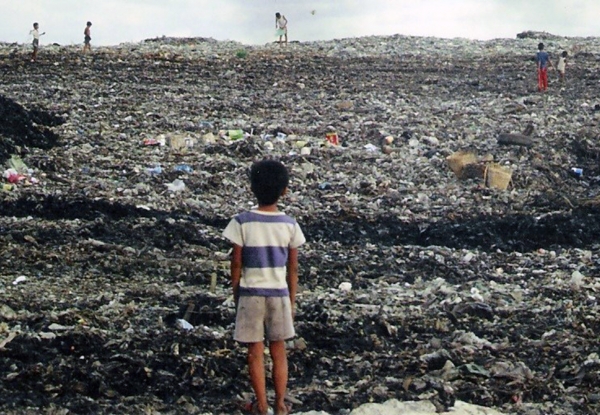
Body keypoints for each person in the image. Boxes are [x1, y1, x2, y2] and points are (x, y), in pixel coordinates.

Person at [223, 159, 305, 415]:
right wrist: (291, 300)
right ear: (284, 190)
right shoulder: (290, 224)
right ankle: (281, 404)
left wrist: (237, 293)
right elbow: (293, 269)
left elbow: (236, 264)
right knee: (279, 352)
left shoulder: (241, 222)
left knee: (255, 353)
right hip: (278, 294)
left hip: (251, 295)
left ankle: (261, 404)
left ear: (252, 187)